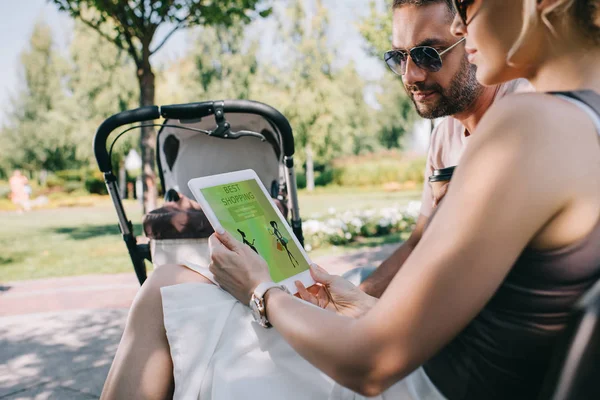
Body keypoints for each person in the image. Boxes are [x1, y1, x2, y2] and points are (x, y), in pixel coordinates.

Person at [101, 0, 600, 399]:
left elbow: (371, 365)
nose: (464, 24)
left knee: (165, 292)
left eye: (467, 3)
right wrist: (358, 301)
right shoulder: (582, 124)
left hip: (412, 383)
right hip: (437, 368)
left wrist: (261, 291)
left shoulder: (529, 124)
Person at [359, 0, 532, 297]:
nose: (410, 76)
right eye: (400, 57)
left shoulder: (527, 111)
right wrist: (354, 297)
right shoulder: (444, 136)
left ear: (472, 40)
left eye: (428, 55)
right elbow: (419, 244)